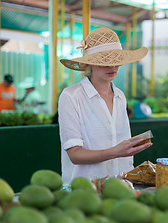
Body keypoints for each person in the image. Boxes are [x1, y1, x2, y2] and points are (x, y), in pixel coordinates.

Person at [58, 28, 151, 184]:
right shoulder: (71, 96)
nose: (112, 66)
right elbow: (75, 155)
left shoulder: (120, 96)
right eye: (104, 61)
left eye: (116, 60)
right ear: (90, 64)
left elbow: (123, 149)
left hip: (121, 186)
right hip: (84, 191)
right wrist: (115, 152)